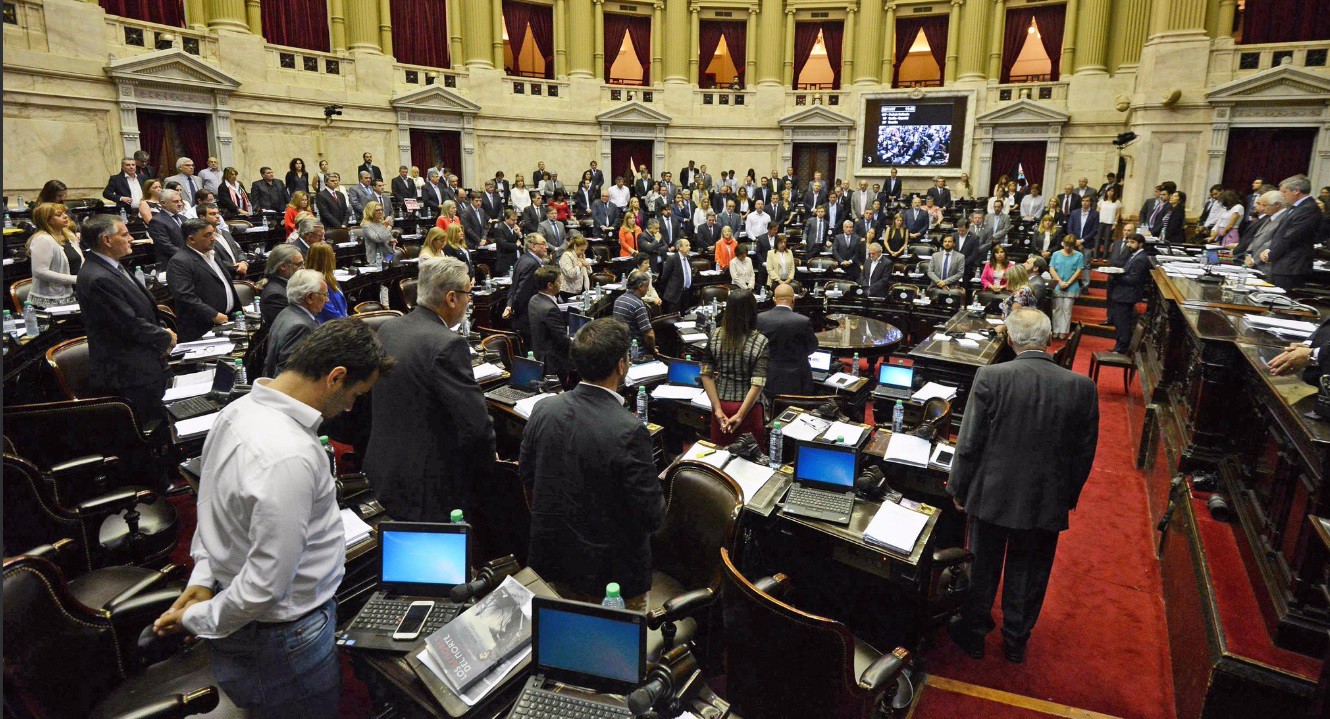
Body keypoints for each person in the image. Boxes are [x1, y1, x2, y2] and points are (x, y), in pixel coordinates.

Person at [152, 319, 391, 719]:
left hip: (247, 614)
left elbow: (213, 511)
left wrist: (203, 580)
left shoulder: (236, 410)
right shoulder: (290, 454)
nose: (351, 407)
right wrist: (198, 618)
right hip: (285, 637)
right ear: (336, 377)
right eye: (356, 394)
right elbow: (265, 586)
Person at [946, 308, 1097, 664]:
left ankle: (974, 636)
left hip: (991, 493)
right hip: (1046, 499)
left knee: (982, 567)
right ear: (1049, 339)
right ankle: (1016, 641)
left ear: (1010, 339)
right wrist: (1067, 497)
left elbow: (969, 443)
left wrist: (958, 488)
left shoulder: (991, 376)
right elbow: (1084, 453)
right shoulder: (1082, 387)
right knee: (1029, 572)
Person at [520, 317, 665, 608]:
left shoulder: (544, 408)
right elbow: (652, 517)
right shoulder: (630, 430)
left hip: (551, 563)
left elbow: (527, 477)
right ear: (621, 365)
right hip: (609, 581)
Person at [366, 256, 495, 522]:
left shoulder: (390, 327)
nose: (470, 301)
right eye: (468, 294)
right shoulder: (447, 344)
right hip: (427, 482)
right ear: (451, 298)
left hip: (385, 464)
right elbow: (476, 427)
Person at [74, 215, 175, 419]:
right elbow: (127, 323)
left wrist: (163, 331)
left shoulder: (111, 266)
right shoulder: (98, 277)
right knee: (162, 423)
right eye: (125, 234)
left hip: (147, 362)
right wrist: (165, 337)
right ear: (107, 240)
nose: (131, 238)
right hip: (130, 375)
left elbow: (146, 309)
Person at [700, 289, 769, 450]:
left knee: (720, 456)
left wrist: (717, 409)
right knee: (751, 459)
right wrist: (740, 415)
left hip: (720, 405)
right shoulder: (761, 341)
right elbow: (757, 384)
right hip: (748, 407)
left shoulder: (714, 335)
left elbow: (705, 374)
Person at [167, 219, 240, 341]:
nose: (213, 238)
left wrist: (236, 307)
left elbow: (224, 283)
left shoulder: (211, 253)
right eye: (207, 235)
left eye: (213, 233)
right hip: (202, 328)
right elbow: (184, 296)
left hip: (226, 320)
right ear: (191, 239)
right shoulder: (179, 262)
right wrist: (213, 315)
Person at [756, 283, 817, 397]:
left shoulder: (760, 318)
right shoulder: (803, 321)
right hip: (797, 380)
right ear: (793, 299)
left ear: (774, 300)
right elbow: (812, 347)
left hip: (767, 377)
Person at [263, 269, 326, 376]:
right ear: (310, 297)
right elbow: (289, 375)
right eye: (325, 295)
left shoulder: (287, 312)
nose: (327, 300)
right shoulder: (301, 328)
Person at [26, 203, 84, 308]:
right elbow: (40, 272)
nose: (65, 216)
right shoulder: (42, 239)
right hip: (52, 299)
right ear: (46, 220)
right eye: (58, 215)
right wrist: (76, 279)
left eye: (64, 213)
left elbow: (81, 259)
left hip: (75, 292)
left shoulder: (69, 235)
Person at [528, 265, 573, 384]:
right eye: (558, 281)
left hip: (540, 354)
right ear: (550, 285)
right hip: (553, 362)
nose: (561, 283)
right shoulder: (550, 309)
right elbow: (563, 340)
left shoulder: (534, 299)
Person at [504, 234, 548, 346]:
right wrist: (513, 309)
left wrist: (510, 305)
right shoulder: (532, 264)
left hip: (520, 315)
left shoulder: (523, 258)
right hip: (526, 316)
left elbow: (514, 287)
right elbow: (522, 291)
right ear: (533, 247)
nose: (546, 247)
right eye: (543, 244)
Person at [1048, 235, 1085, 339]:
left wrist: (1068, 283)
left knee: (1067, 309)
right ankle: (1055, 330)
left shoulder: (1079, 255)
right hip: (1058, 285)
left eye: (1070, 246)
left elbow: (1079, 270)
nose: (1068, 248)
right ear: (1063, 244)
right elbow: (1052, 269)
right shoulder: (1056, 254)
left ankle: (1063, 331)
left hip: (1071, 286)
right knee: (1057, 308)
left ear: (1073, 245)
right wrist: (1060, 282)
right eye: (1066, 245)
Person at [613, 271, 658, 353]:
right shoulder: (638, 305)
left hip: (622, 349)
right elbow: (649, 336)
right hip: (637, 351)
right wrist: (653, 351)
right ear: (640, 286)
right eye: (647, 286)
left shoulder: (618, 300)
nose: (648, 289)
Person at [260, 244, 303, 326]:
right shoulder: (275, 296)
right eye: (299, 264)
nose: (303, 268)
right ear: (283, 266)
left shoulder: (289, 285)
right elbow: (292, 326)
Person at [305, 242, 346, 322]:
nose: (334, 256)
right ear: (327, 259)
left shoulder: (330, 279)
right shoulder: (318, 285)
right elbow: (332, 315)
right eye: (332, 254)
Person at [147, 189, 187, 270]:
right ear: (163, 203)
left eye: (180, 201)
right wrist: (188, 255)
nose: (180, 204)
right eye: (176, 201)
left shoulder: (184, 218)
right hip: (171, 264)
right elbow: (166, 246)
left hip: (188, 261)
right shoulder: (157, 221)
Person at [658, 239, 694, 316]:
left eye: (689, 245)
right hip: (674, 296)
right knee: (674, 319)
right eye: (687, 245)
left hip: (686, 294)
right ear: (680, 247)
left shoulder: (689, 258)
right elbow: (664, 278)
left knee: (685, 318)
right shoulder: (672, 259)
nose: (689, 247)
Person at [927, 234, 965, 299]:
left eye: (949, 241)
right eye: (945, 241)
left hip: (952, 287)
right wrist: (940, 282)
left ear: (954, 244)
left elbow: (960, 273)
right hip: (935, 286)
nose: (947, 243)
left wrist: (945, 282)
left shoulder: (960, 257)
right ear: (942, 243)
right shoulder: (935, 255)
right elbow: (930, 271)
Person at [361, 200, 397, 266]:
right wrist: (385, 226)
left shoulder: (381, 222)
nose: (380, 212)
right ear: (370, 211)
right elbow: (377, 239)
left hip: (388, 254)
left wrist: (390, 241)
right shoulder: (366, 226)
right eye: (377, 210)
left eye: (381, 209)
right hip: (376, 257)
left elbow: (387, 237)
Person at [1092, 187, 1121, 260]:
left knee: (1107, 240)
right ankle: (1095, 256)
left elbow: (1118, 214)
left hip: (1110, 223)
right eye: (1108, 191)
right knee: (1098, 239)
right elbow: (1097, 213)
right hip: (1100, 222)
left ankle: (1105, 256)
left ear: (1114, 193)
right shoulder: (1101, 201)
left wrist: (1115, 223)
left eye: (1112, 191)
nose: (1110, 192)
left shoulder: (1117, 202)